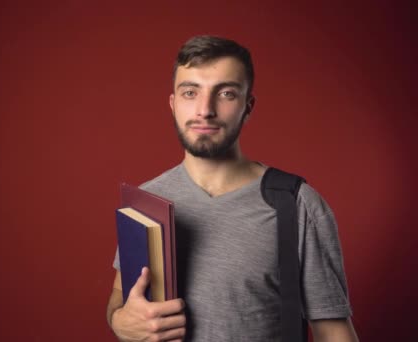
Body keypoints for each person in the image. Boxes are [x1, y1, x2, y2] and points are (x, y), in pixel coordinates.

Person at [106, 35, 358, 341]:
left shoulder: (296, 204)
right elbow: (120, 299)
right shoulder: (146, 201)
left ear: (247, 106)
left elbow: (333, 332)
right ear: (173, 104)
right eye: (190, 92)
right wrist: (120, 322)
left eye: (225, 93)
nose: (204, 110)